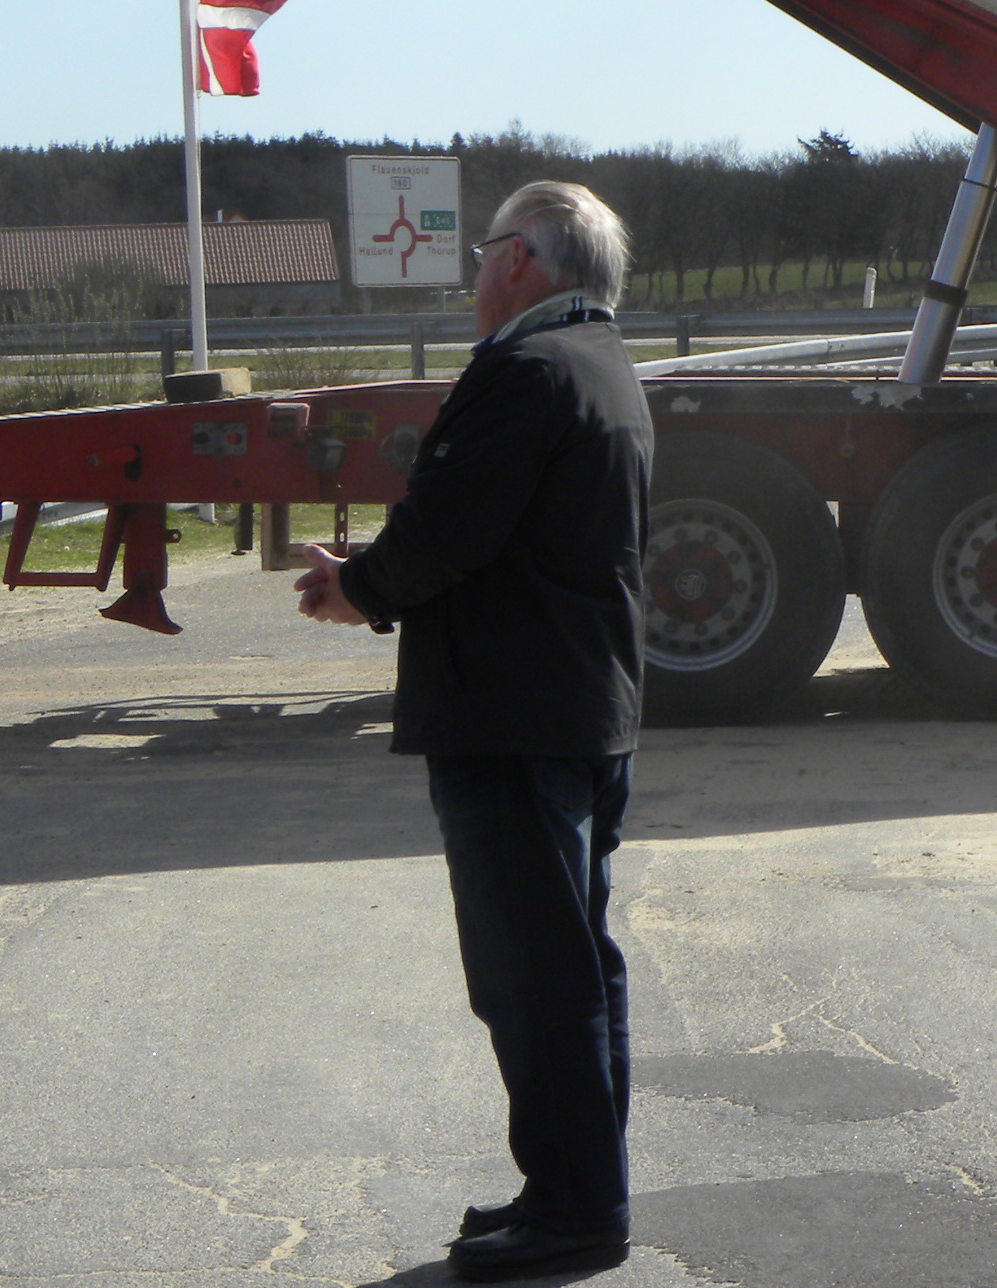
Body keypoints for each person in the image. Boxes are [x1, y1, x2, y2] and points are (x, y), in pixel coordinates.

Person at [295, 182, 653, 1280]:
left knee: (532, 978)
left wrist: (356, 589)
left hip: (512, 717)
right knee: (572, 966)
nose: (477, 274)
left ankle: (576, 1211)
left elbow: (447, 527)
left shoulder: (525, 372)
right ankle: (573, 1189)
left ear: (521, 261)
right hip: (579, 708)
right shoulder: (603, 364)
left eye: (486, 251)